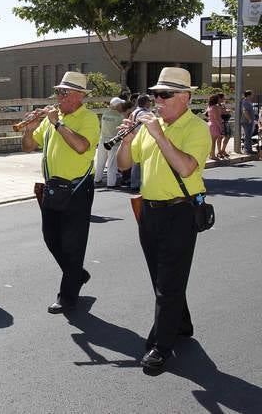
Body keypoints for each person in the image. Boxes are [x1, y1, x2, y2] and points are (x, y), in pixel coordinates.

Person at [115, 67, 211, 370]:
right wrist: (128, 140)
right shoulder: (147, 127)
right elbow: (124, 166)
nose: (158, 100)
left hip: (181, 211)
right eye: (156, 94)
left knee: (169, 281)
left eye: (165, 94)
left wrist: (158, 134)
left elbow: (186, 168)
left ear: (185, 97)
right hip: (150, 210)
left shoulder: (196, 128)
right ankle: (181, 323)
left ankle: (162, 345)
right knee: (161, 276)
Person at [21, 71, 99, 314]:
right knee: (51, 238)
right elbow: (28, 146)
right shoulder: (52, 118)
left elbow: (80, 146)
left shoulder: (87, 118)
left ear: (79, 96)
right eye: (58, 91)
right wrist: (29, 128)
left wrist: (57, 122)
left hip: (77, 188)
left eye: (64, 92)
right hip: (53, 188)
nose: (59, 96)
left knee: (73, 244)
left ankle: (67, 296)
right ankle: (77, 274)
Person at [94, 97, 124, 188]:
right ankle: (111, 183)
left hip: (103, 140)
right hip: (113, 143)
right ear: (118, 105)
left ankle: (97, 179)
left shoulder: (105, 114)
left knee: (100, 162)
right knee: (111, 164)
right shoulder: (120, 116)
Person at [129, 95, 152, 190]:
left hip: (134, 138)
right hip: (141, 139)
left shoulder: (134, 112)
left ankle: (134, 183)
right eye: (149, 101)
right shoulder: (144, 113)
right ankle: (139, 183)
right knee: (142, 163)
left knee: (136, 162)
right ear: (146, 102)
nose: (150, 103)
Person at [206, 94, 222, 160]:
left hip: (210, 124)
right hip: (215, 125)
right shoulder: (215, 107)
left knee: (212, 141)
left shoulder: (209, 107)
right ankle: (212, 155)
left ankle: (211, 154)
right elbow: (217, 118)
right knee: (213, 142)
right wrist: (220, 127)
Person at [240, 90, 257, 154]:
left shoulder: (247, 101)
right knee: (247, 136)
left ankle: (249, 150)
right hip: (247, 121)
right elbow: (245, 111)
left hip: (249, 121)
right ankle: (247, 150)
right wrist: (249, 119)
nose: (253, 95)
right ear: (249, 95)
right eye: (252, 94)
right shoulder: (245, 102)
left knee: (249, 136)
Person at [217, 93, 232, 159]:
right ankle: (219, 151)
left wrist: (227, 111)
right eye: (223, 98)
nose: (224, 99)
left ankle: (223, 150)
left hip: (226, 122)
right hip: (221, 123)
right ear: (219, 98)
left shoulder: (222, 105)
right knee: (220, 137)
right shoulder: (216, 105)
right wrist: (226, 112)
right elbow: (219, 113)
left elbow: (224, 111)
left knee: (228, 136)